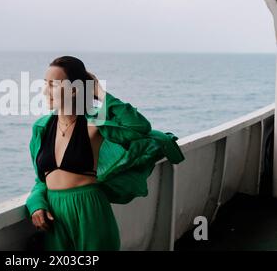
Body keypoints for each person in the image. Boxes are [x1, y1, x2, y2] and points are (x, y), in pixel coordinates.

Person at [25, 55, 185, 251]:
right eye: (45, 84)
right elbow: (41, 180)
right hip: (54, 218)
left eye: (53, 85)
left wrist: (100, 93)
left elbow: (138, 126)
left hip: (89, 210)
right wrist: (36, 204)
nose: (45, 91)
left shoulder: (94, 124)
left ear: (74, 90)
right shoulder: (41, 128)